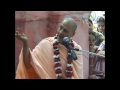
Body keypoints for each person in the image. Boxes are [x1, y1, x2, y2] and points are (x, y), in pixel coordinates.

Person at [15, 18, 84, 79]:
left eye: (65, 31)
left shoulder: (76, 50)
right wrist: (25, 42)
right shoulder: (45, 44)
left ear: (73, 34)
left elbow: (78, 76)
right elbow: (29, 64)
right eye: (60, 28)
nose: (60, 32)